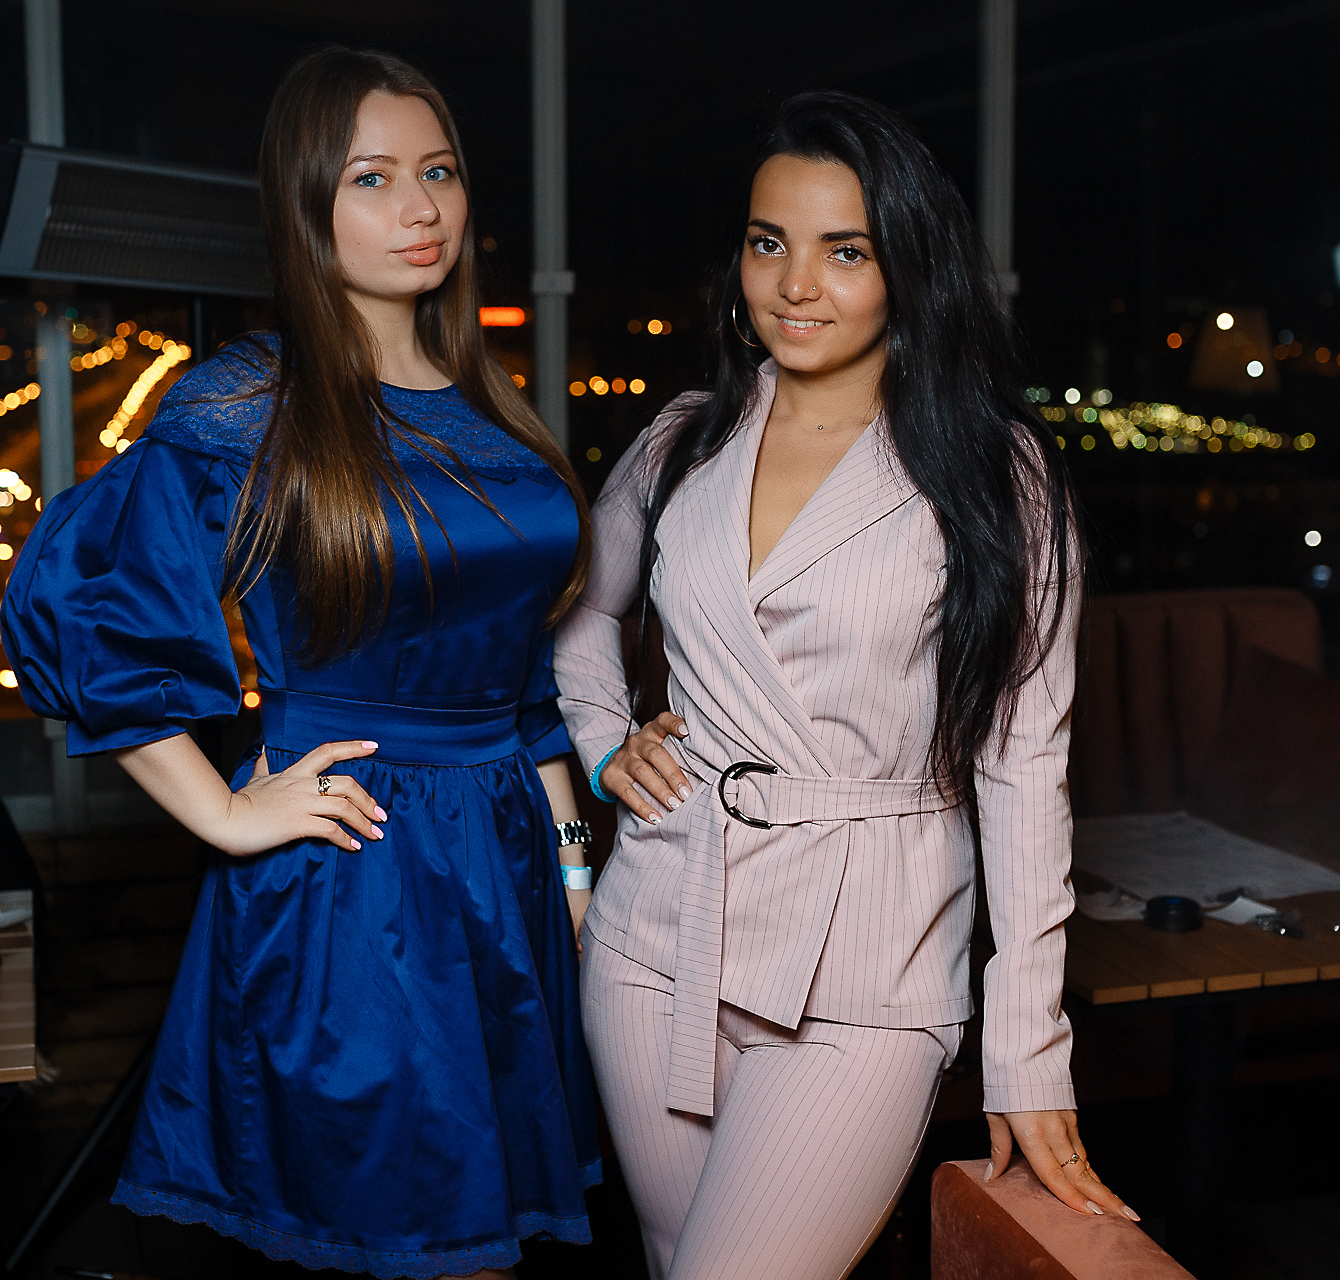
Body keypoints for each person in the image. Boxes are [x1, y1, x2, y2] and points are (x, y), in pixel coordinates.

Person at [1, 47, 601, 1280]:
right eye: (372, 177)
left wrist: (573, 863)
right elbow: (88, 603)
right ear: (305, 202)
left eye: (439, 171)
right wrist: (223, 811)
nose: (420, 206)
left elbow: (522, 677)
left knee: (497, 1242)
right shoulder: (250, 400)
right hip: (362, 871)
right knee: (440, 1250)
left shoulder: (490, 399)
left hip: (509, 871)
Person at [553, 91, 1130, 1280]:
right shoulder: (682, 440)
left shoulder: (1000, 472)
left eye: (845, 250)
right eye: (769, 242)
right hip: (656, 928)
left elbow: (1026, 768)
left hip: (873, 961)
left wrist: (1028, 1050)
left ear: (910, 268)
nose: (795, 284)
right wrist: (607, 740)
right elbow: (579, 611)